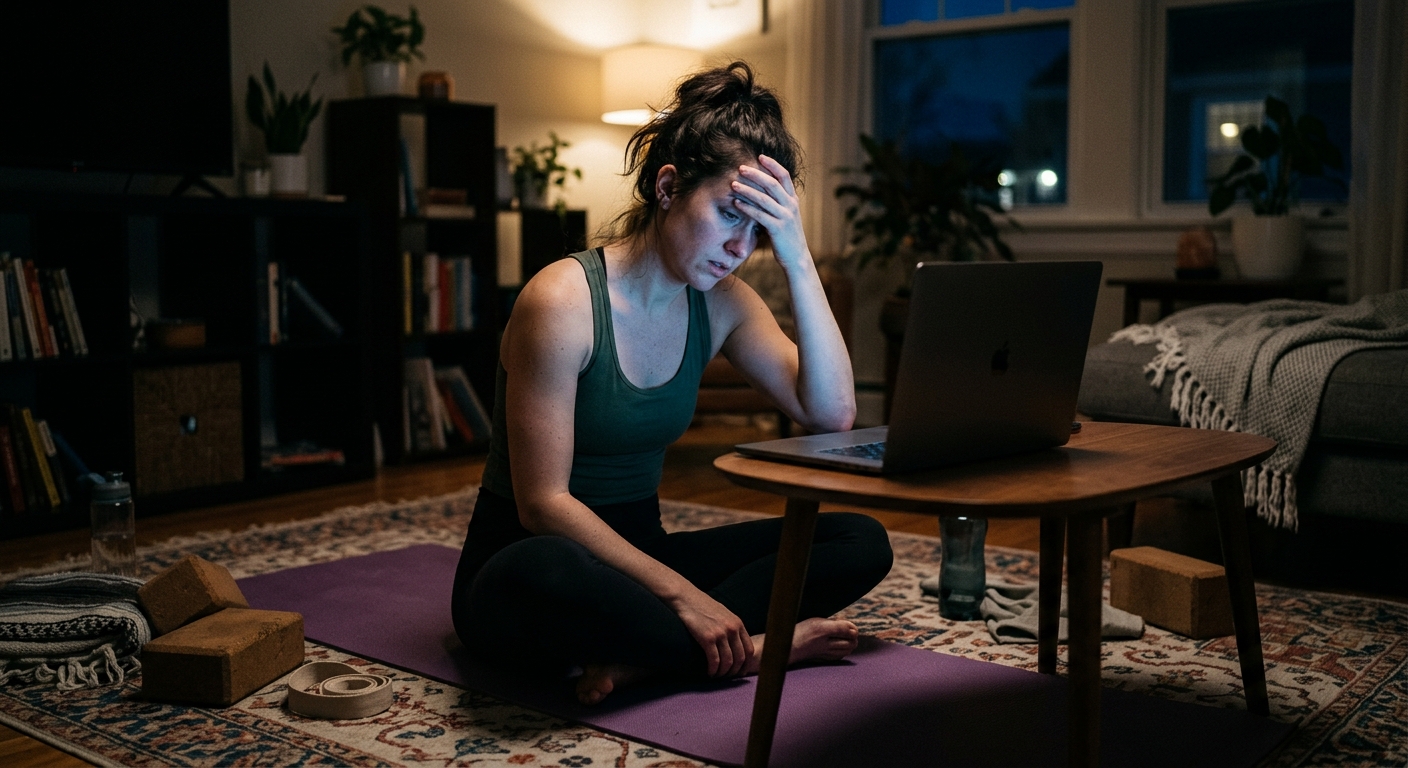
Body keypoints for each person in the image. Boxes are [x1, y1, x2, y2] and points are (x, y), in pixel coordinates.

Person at [450, 61, 893, 705]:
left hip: (641, 559)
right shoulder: (561, 301)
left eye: (759, 229)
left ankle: (649, 659)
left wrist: (797, 255)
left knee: (858, 539)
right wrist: (684, 595)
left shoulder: (723, 301)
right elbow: (541, 504)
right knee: (546, 568)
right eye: (730, 214)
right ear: (667, 187)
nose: (740, 247)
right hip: (530, 566)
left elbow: (830, 413)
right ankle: (756, 650)